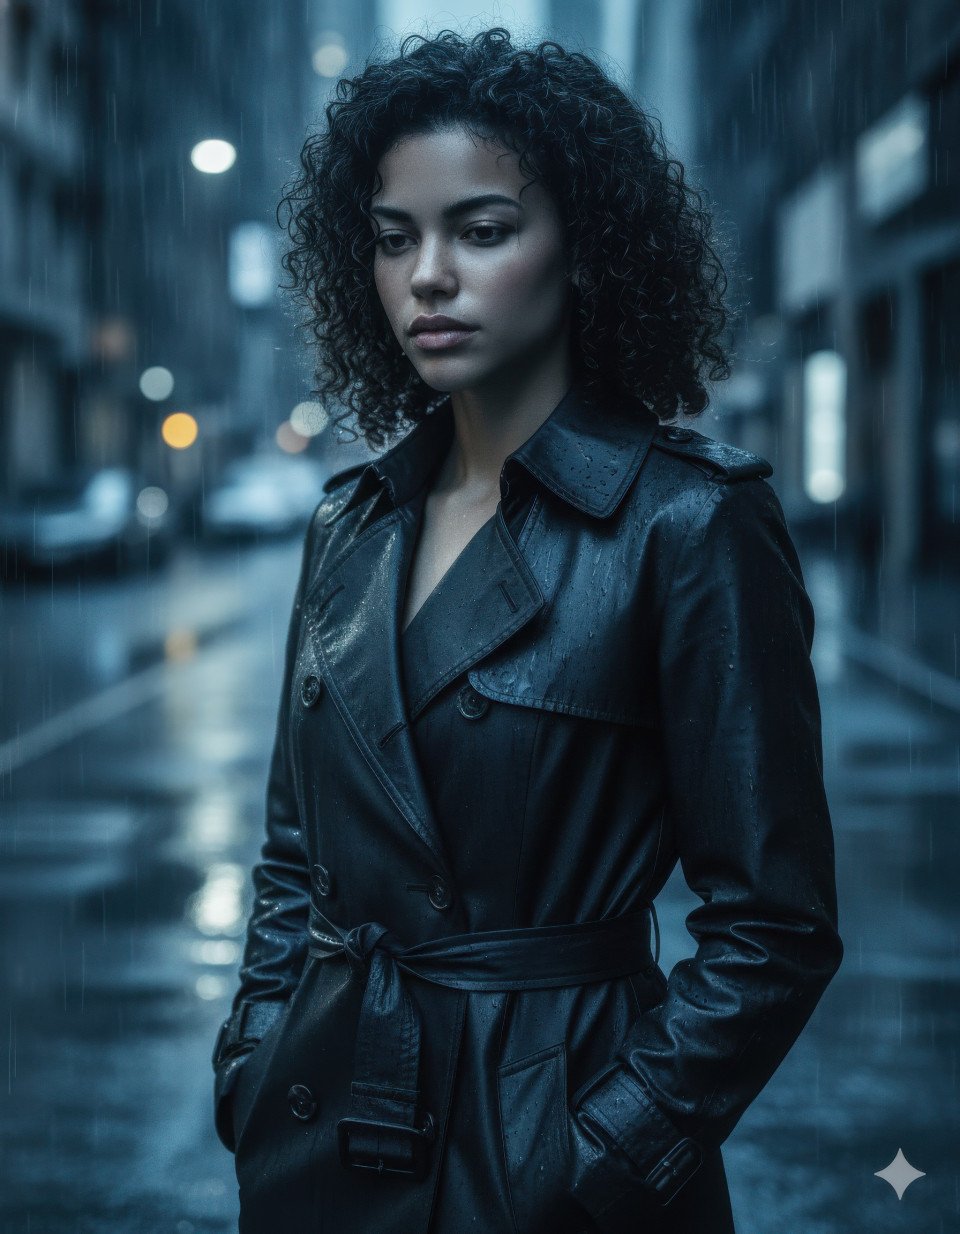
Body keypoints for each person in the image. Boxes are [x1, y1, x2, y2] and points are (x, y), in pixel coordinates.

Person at [210, 27, 843, 1234]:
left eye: (482, 230)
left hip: (551, 1151)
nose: (427, 277)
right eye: (395, 239)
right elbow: (296, 861)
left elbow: (775, 927)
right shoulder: (350, 523)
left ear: (584, 250)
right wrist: (253, 1061)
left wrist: (600, 1154)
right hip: (323, 1138)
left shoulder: (689, 522)